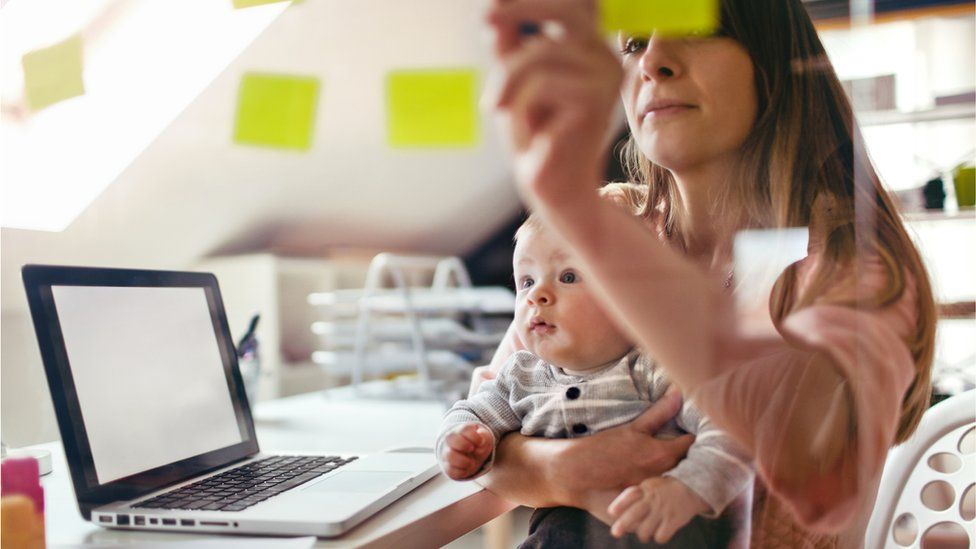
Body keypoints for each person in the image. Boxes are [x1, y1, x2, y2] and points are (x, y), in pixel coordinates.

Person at [474, 0, 937, 547]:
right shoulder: (608, 225)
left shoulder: (850, 266)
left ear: (773, 58)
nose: (654, 61)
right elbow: (485, 436)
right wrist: (567, 468)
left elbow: (809, 475)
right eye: (634, 43)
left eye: (697, 30)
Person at [437, 187, 753, 546]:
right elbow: (471, 413)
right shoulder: (520, 377)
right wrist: (460, 440)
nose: (537, 295)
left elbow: (734, 433)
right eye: (526, 281)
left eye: (568, 277)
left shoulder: (656, 370)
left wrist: (688, 489)